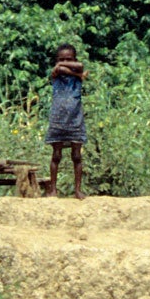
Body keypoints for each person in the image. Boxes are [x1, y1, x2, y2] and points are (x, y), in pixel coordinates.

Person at [43, 43, 87, 199]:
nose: (64, 62)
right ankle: (53, 189)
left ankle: (77, 190)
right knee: (56, 155)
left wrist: (75, 72)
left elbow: (80, 65)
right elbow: (60, 69)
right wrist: (77, 75)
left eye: (69, 59)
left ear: (74, 59)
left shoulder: (78, 68)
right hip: (58, 119)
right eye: (61, 59)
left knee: (76, 156)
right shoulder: (56, 72)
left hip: (75, 118)